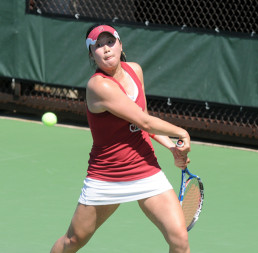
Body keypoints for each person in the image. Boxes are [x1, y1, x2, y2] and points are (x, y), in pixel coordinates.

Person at [50, 24, 191, 253]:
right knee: (73, 241)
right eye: (98, 45)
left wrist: (170, 146)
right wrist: (181, 133)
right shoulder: (98, 86)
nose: (105, 49)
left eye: (110, 42)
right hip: (107, 176)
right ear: (91, 54)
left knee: (180, 240)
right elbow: (144, 122)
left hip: (145, 169)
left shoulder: (135, 70)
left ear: (120, 44)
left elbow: (142, 119)